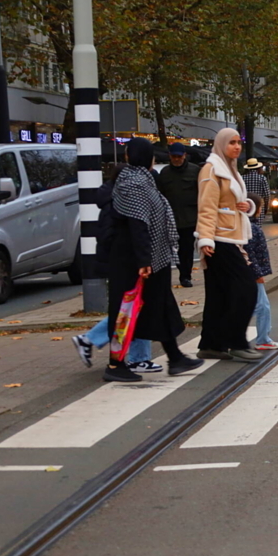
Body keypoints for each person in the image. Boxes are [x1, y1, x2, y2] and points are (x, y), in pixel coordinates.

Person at [105, 138, 203, 382]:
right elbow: (137, 224)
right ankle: (115, 365)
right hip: (134, 262)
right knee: (125, 311)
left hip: (152, 258)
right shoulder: (133, 183)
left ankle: (175, 357)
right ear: (147, 158)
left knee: (161, 306)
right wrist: (143, 261)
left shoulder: (145, 180)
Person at [72, 166, 156, 372]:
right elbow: (114, 236)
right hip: (125, 263)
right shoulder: (118, 204)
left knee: (132, 307)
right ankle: (133, 356)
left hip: (123, 262)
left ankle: (135, 355)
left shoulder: (113, 200)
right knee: (132, 307)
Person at [196, 129, 263, 363]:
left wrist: (247, 207)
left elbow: (232, 203)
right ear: (221, 144)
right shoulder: (212, 170)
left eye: (239, 142)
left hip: (231, 236)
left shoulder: (231, 169)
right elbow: (206, 207)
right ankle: (236, 342)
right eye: (232, 143)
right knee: (246, 289)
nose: (236, 147)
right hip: (220, 240)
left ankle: (211, 344)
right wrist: (205, 239)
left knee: (219, 295)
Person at [156, 142, 201, 287]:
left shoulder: (195, 171)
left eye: (179, 156)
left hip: (189, 218)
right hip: (170, 218)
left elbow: (202, 193)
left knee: (186, 249)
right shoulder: (165, 173)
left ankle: (185, 276)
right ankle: (171, 274)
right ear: (169, 156)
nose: (176, 159)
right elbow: (160, 194)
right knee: (169, 248)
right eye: (173, 156)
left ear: (184, 156)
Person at [246, 195, 278, 350]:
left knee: (256, 305)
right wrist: (258, 274)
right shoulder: (251, 229)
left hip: (249, 273)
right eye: (260, 207)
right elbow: (250, 254)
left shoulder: (250, 227)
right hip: (252, 274)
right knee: (262, 306)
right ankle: (263, 339)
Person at [243, 158, 271, 226]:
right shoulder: (262, 178)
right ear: (258, 168)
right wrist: (266, 207)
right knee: (258, 225)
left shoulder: (242, 178)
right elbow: (267, 195)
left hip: (246, 205)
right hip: (258, 205)